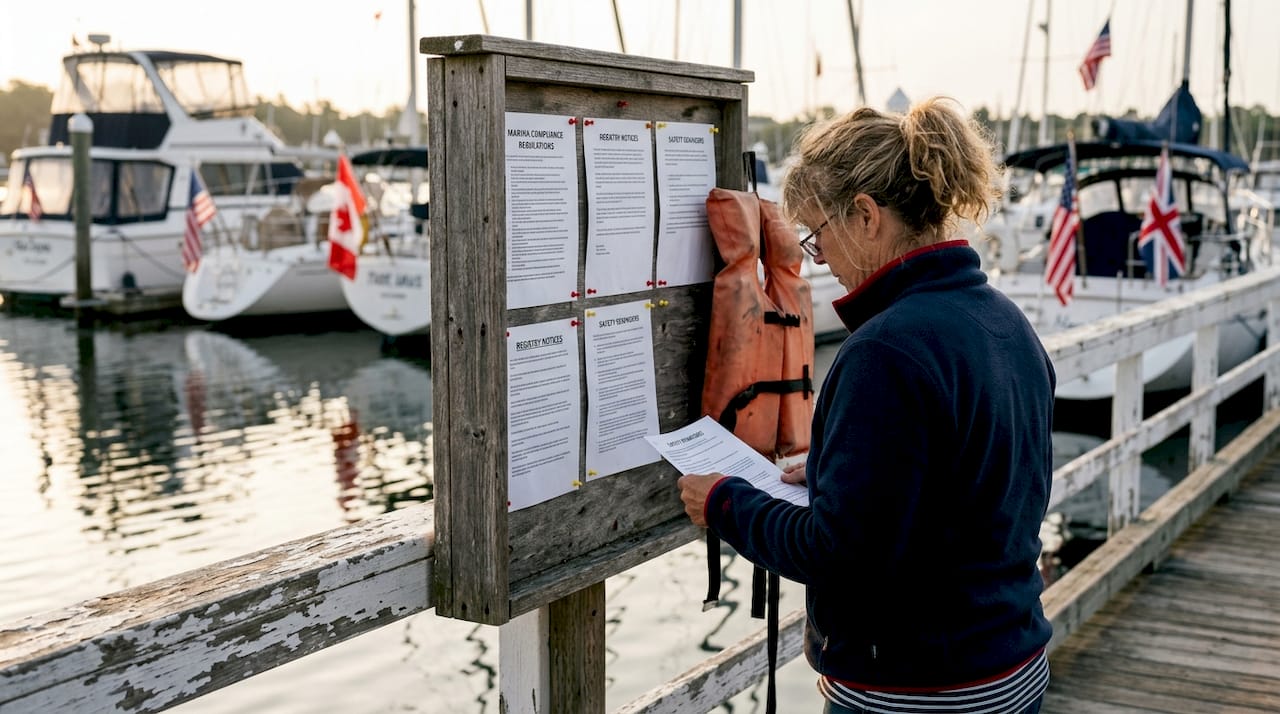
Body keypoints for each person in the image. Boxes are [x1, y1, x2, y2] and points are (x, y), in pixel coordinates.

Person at [677, 98, 1055, 714]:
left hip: (922, 690)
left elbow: (837, 554)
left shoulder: (886, 352)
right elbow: (969, 493)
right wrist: (831, 475)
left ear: (866, 215)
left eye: (817, 235)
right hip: (1011, 665)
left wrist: (724, 502)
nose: (819, 258)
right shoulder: (1006, 321)